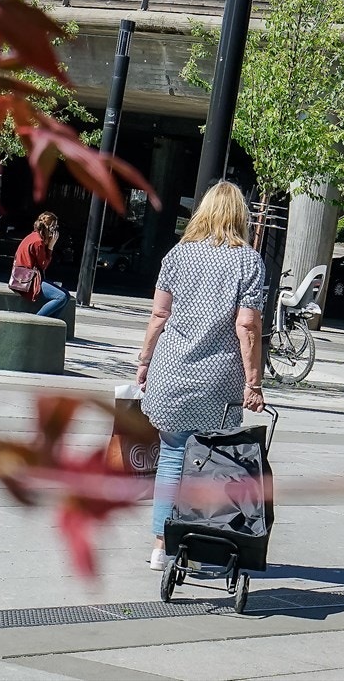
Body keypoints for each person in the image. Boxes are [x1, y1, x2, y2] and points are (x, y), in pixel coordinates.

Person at [135, 181, 267, 571]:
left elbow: (159, 315)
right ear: (240, 216)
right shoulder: (248, 262)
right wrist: (254, 382)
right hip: (218, 382)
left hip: (171, 372)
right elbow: (247, 326)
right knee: (211, 462)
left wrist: (144, 361)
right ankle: (199, 542)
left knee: (173, 455)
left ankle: (162, 545)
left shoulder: (177, 254)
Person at [13, 212, 69, 318]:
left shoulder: (32, 236)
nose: (55, 231)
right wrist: (51, 247)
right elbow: (43, 265)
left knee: (66, 294)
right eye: (54, 227)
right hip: (28, 281)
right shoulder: (38, 242)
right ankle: (37, 321)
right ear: (49, 227)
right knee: (61, 297)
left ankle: (50, 324)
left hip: (23, 277)